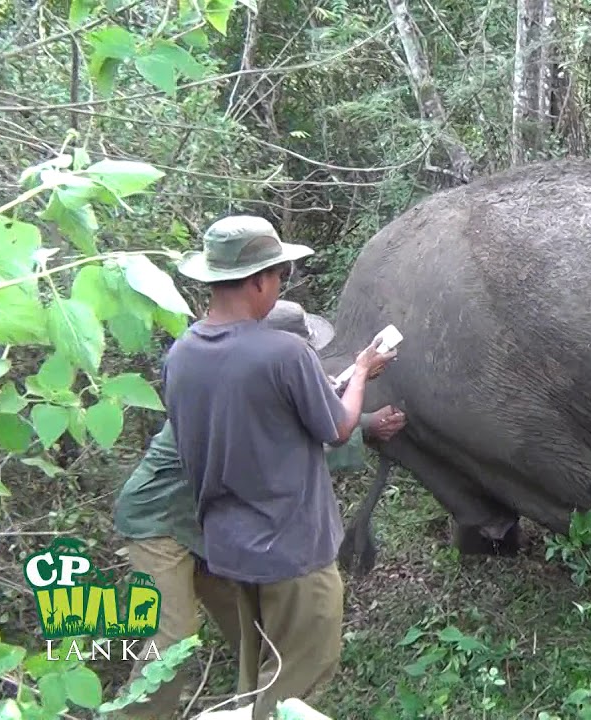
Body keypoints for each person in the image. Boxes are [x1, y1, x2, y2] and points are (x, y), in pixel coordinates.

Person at [113, 300, 406, 719]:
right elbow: (288, 444)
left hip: (209, 527)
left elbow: (291, 422)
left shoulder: (240, 373)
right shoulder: (241, 385)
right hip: (159, 520)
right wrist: (363, 414)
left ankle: (251, 707)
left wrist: (342, 401)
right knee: (173, 635)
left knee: (255, 636)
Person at [160, 215, 398, 719]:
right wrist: (359, 372)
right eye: (279, 277)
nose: (279, 287)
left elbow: (251, 427)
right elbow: (338, 428)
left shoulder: (180, 355)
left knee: (258, 677)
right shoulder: (284, 352)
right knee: (295, 689)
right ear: (258, 280)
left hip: (232, 552)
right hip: (292, 553)